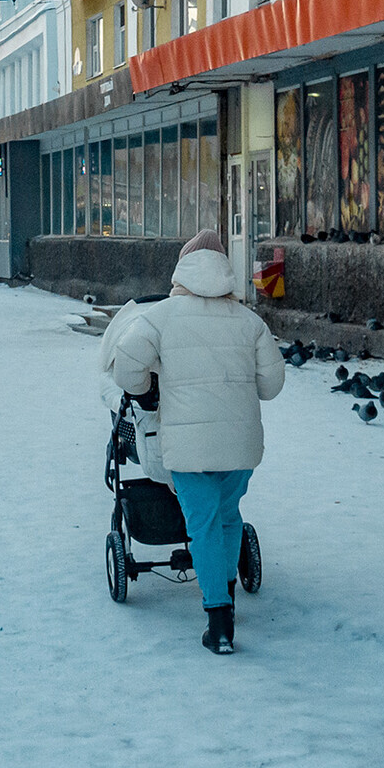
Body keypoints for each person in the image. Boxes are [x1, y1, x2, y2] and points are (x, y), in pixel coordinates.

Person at [108, 229, 285, 655]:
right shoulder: (249, 321)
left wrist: (146, 388)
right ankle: (226, 597)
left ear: (182, 268)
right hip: (241, 446)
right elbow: (273, 384)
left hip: (189, 450)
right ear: (225, 270)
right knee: (227, 518)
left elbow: (124, 365)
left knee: (202, 525)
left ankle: (219, 623)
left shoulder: (161, 316)